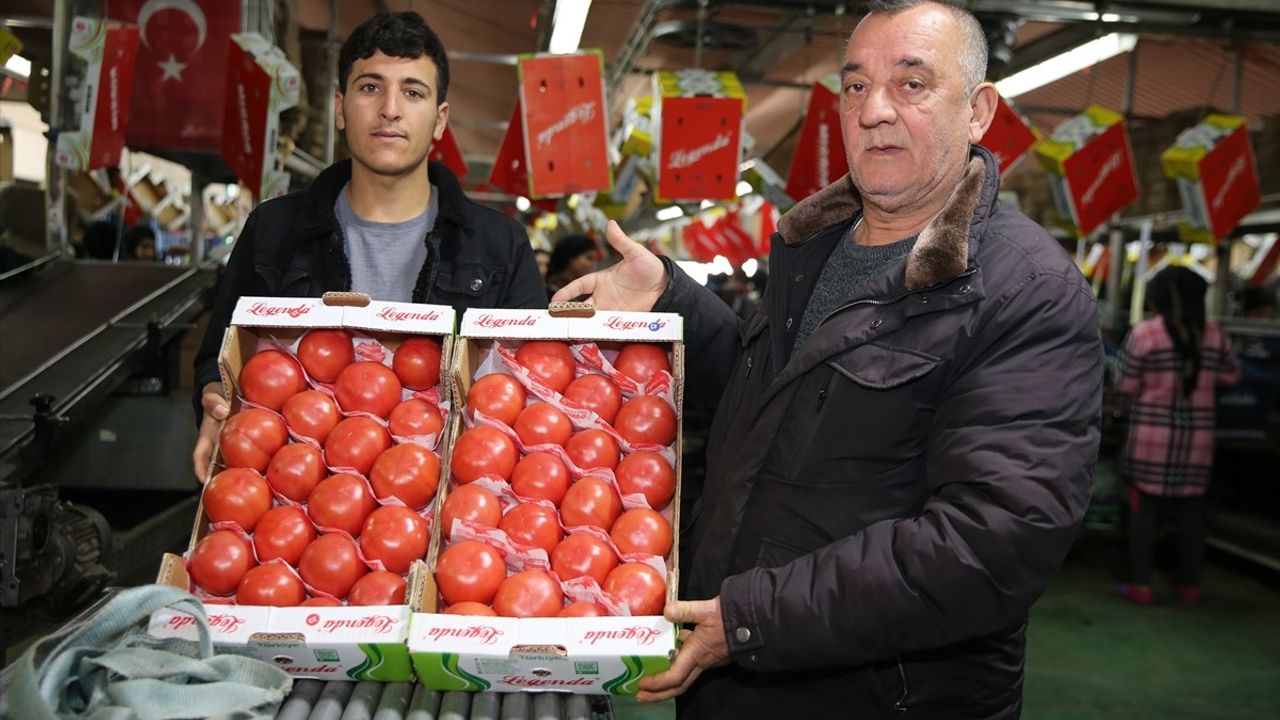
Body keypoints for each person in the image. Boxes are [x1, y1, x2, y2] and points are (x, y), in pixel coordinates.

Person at [553, 1, 1103, 716]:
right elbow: (772, 401)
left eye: (911, 84)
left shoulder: (1023, 290)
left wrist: (755, 619)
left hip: (875, 694)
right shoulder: (815, 249)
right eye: (854, 86)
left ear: (977, 111)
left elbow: (991, 545)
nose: (874, 109)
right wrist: (670, 298)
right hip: (738, 673)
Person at [191, 11, 544, 479]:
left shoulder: (500, 245)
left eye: (413, 92)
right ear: (340, 108)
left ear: (440, 120)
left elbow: (532, 387)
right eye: (370, 87)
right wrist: (216, 399)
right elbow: (217, 360)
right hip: (301, 487)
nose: (390, 109)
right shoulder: (273, 230)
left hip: (456, 494)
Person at [1113, 267, 1239, 605]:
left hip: (1152, 438)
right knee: (1192, 514)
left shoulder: (1146, 334)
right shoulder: (1215, 335)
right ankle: (1190, 586)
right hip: (1198, 440)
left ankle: (1141, 585)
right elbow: (1230, 377)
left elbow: (1124, 384)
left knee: (1144, 511)